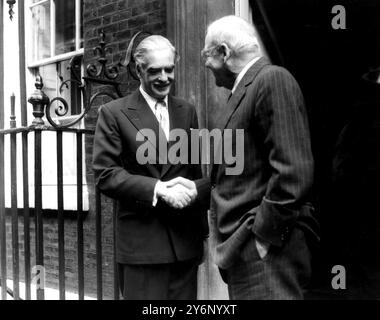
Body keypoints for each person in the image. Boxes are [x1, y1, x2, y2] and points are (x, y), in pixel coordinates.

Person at [202, 15, 318, 300]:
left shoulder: (272, 80)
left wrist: (262, 239)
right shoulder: (246, 90)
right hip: (245, 253)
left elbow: (293, 173)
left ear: (225, 53)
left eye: (207, 54)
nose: (205, 63)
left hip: (265, 254)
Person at [92, 35, 210, 300]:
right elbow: (105, 174)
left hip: (185, 245)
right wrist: (158, 189)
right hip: (141, 249)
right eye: (155, 70)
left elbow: (195, 172)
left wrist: (202, 232)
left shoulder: (187, 111)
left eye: (169, 69)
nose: (164, 77)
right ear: (138, 70)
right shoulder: (113, 113)